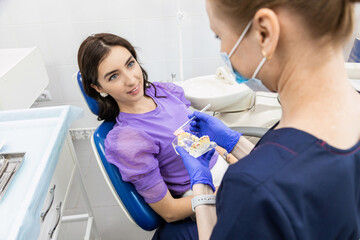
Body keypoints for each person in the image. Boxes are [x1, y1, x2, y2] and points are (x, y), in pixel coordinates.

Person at [175, 0, 360, 239]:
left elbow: (278, 181)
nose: (223, 49)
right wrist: (236, 143)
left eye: (218, 35)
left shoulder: (252, 189)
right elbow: (305, 175)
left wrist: (201, 188)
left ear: (265, 32)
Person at [77, 33, 229, 232]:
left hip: (227, 173)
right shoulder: (129, 139)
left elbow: (199, 140)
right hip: (205, 197)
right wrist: (226, 192)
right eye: (113, 76)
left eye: (130, 64)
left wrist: (231, 157)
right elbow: (170, 212)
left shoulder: (163, 92)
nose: (131, 80)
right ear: (98, 87)